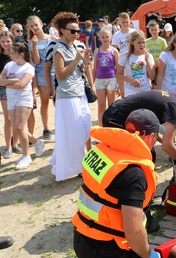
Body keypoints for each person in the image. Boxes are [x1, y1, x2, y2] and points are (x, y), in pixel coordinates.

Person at [72, 109, 165, 258]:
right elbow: (134, 231)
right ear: (150, 137)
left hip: (81, 238)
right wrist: (148, 255)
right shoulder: (134, 173)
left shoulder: (102, 150)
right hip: (109, 248)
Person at [102, 88, 176, 174]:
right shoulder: (174, 108)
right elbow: (166, 147)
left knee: (148, 154)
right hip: (116, 119)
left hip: (119, 116)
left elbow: (151, 129)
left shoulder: (173, 99)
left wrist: (170, 144)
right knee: (138, 156)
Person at [49, 12, 93, 181]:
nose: (76, 34)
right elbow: (60, 75)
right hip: (67, 96)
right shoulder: (59, 49)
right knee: (73, 133)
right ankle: (77, 166)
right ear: (62, 30)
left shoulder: (75, 46)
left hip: (79, 92)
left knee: (84, 128)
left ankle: (82, 163)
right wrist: (76, 60)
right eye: (72, 31)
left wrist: (86, 61)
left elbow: (79, 70)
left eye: (77, 31)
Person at [0, 42, 45, 170]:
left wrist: (6, 83)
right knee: (16, 128)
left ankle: (26, 156)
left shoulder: (28, 68)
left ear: (21, 54)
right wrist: (12, 81)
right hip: (11, 98)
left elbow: (22, 85)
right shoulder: (9, 65)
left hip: (23, 98)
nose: (10, 54)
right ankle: (37, 143)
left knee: (20, 127)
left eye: (13, 53)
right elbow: (1, 80)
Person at [27, 15, 56, 140]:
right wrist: (34, 45)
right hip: (41, 74)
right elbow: (37, 61)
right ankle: (45, 128)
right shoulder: (31, 42)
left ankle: (60, 127)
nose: (34, 28)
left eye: (36, 25)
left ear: (41, 24)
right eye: (31, 26)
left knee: (58, 102)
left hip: (55, 74)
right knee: (45, 102)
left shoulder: (53, 39)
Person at [116, 30, 155, 98]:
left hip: (145, 91)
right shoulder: (124, 56)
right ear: (132, 42)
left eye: (144, 42)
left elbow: (152, 77)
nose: (142, 45)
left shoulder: (149, 56)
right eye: (139, 43)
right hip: (130, 92)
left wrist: (147, 61)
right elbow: (118, 75)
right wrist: (130, 80)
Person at [0, 31, 20, 159]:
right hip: (4, 90)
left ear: (12, 41)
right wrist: (11, 81)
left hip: (18, 90)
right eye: (3, 41)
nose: (6, 44)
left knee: (16, 119)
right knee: (8, 118)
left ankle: (15, 143)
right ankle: (8, 146)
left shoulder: (18, 55)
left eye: (8, 41)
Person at [93, 28, 119, 126]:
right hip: (100, 80)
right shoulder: (97, 51)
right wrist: (92, 82)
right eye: (103, 37)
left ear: (111, 37)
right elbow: (94, 68)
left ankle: (111, 126)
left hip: (112, 79)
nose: (105, 39)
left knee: (111, 105)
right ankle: (101, 127)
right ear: (99, 38)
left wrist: (120, 85)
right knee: (101, 106)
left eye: (107, 37)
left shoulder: (114, 51)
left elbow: (118, 68)